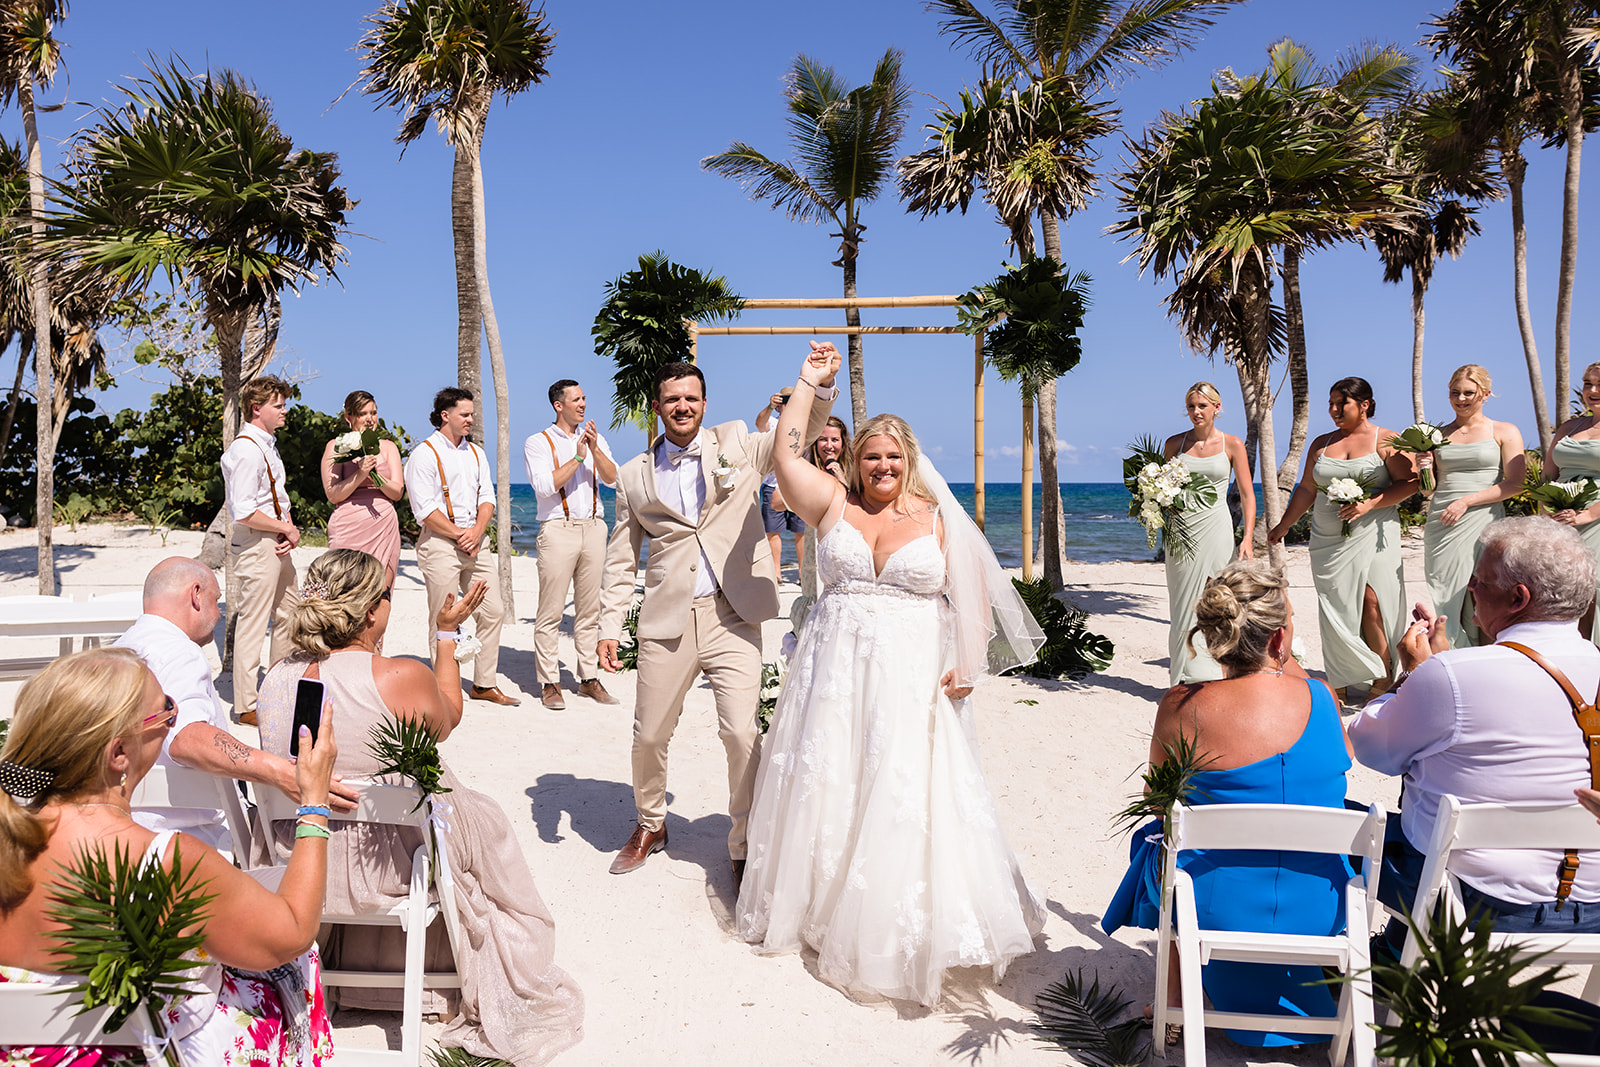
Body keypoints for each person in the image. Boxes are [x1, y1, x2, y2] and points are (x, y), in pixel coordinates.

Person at [735, 346, 1048, 1005]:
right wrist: (806, 384)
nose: (882, 465)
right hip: (835, 671)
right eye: (871, 455)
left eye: (892, 456)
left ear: (909, 460)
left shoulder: (937, 518)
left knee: (902, 785)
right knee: (835, 778)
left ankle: (896, 924)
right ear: (856, 460)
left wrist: (968, 664)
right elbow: (786, 457)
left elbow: (973, 598)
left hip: (912, 672)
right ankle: (824, 905)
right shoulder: (831, 505)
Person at [258, 550, 585, 1065]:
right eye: (386, 596)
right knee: (484, 822)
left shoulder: (277, 675)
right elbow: (449, 716)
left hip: (297, 858)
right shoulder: (395, 676)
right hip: (380, 868)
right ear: (370, 612)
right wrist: (445, 636)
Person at [0, 647, 339, 1065]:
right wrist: (314, 801)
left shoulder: (8, 844)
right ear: (119, 753)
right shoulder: (166, 862)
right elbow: (291, 932)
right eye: (165, 710)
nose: (174, 718)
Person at [597, 347, 840, 882]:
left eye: (690, 397)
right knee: (650, 734)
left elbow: (796, 437)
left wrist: (816, 387)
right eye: (671, 399)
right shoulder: (634, 476)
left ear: (704, 402)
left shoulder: (737, 444)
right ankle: (651, 823)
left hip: (735, 614)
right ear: (655, 406)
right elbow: (620, 559)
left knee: (740, 733)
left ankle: (743, 843)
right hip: (668, 621)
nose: (682, 406)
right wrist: (608, 627)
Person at [1102, 560, 1356, 1047]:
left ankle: (1175, 1002)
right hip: (1322, 909)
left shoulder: (1181, 704)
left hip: (1216, 911)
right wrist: (1281, 658)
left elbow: (1159, 803)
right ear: (1279, 639)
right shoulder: (1322, 698)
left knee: (1160, 844)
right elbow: (1340, 757)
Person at [1350, 515, 1600, 935]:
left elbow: (1372, 749)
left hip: (1473, 902)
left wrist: (1414, 673)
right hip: (1593, 906)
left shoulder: (1453, 674)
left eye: (1479, 581)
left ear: (1518, 598)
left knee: (1334, 823)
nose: (1471, 589)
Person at [115, 557, 358, 856]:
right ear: (195, 595)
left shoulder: (119, 648)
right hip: (191, 840)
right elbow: (187, 738)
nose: (218, 614)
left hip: (129, 830)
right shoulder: (180, 652)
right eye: (217, 601)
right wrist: (279, 771)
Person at [1268, 377, 1415, 702]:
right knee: (1337, 605)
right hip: (1328, 535)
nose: (1334, 410)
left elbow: (1409, 482)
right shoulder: (1322, 444)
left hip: (1374, 533)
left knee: (1371, 602)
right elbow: (1307, 488)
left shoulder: (1387, 439)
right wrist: (1284, 525)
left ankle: (1383, 669)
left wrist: (1370, 503)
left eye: (1341, 403)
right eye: (1331, 404)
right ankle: (1342, 677)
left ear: (1364, 404)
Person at [403, 387, 517, 706]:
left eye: (471, 414)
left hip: (476, 543)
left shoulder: (476, 453)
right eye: (465, 414)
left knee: (493, 609)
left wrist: (477, 531)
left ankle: (483, 684)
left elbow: (487, 497)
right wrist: (458, 534)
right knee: (444, 616)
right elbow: (424, 509)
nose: (471, 419)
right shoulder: (424, 454)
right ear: (445, 415)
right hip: (440, 544)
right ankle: (441, 687)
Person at [524, 378, 620, 711]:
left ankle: (588, 678)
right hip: (557, 529)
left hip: (594, 527)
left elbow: (612, 478)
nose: (582, 404)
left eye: (584, 398)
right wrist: (578, 458)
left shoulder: (596, 439)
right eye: (576, 399)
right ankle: (550, 682)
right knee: (550, 611)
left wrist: (593, 449)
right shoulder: (538, 442)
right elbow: (543, 486)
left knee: (589, 610)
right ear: (558, 405)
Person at [1419, 364, 1526, 649]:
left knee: (1487, 595)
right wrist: (1424, 468)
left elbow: (1517, 483)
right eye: (1455, 393)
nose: (1461, 399)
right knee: (1449, 597)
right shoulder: (1437, 436)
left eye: (1469, 392)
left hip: (1484, 521)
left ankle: (1491, 659)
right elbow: (1428, 488)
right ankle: (1456, 659)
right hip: (1443, 522)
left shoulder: (1504, 430)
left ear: (1486, 394)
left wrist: (1467, 501)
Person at [1160, 382, 1255, 686]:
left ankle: (1215, 673)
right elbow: (1161, 490)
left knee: (1215, 601)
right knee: (1182, 601)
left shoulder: (1233, 444)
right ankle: (1182, 676)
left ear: (1217, 407)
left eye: (1202, 405)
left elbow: (1247, 494)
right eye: (1191, 406)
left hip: (1216, 529)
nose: (1196, 412)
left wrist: (1248, 537)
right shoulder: (1174, 444)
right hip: (1181, 532)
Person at [221, 374, 301, 726]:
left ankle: (275, 690)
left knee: (290, 614)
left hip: (275, 540)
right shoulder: (245, 450)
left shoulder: (267, 445)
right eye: (278, 405)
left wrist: (287, 528)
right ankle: (246, 705)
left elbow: (273, 498)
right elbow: (243, 509)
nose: (285, 411)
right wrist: (284, 526)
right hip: (257, 542)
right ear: (257, 409)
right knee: (254, 621)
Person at [321, 389, 405, 587]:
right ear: (348, 417)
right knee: (343, 589)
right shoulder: (336, 446)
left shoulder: (388, 447)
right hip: (348, 524)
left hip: (383, 523)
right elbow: (333, 495)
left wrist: (375, 475)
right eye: (362, 414)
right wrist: (360, 474)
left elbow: (397, 492)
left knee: (379, 592)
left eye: (373, 413)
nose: (370, 419)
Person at [1545, 360, 1600, 643]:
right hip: (1560, 522)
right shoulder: (1568, 427)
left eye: (1599, 384)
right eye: (1588, 383)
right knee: (1565, 593)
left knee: (1594, 592)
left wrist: (1585, 516)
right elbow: (1547, 476)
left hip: (1596, 520)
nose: (1592, 390)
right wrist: (1549, 510)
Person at [755, 387, 806, 580]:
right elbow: (759, 423)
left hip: (798, 484)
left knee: (801, 531)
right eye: (785, 400)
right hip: (772, 482)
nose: (789, 404)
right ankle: (776, 571)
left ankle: (803, 571)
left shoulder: (804, 422)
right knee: (772, 531)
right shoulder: (773, 423)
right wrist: (770, 405)